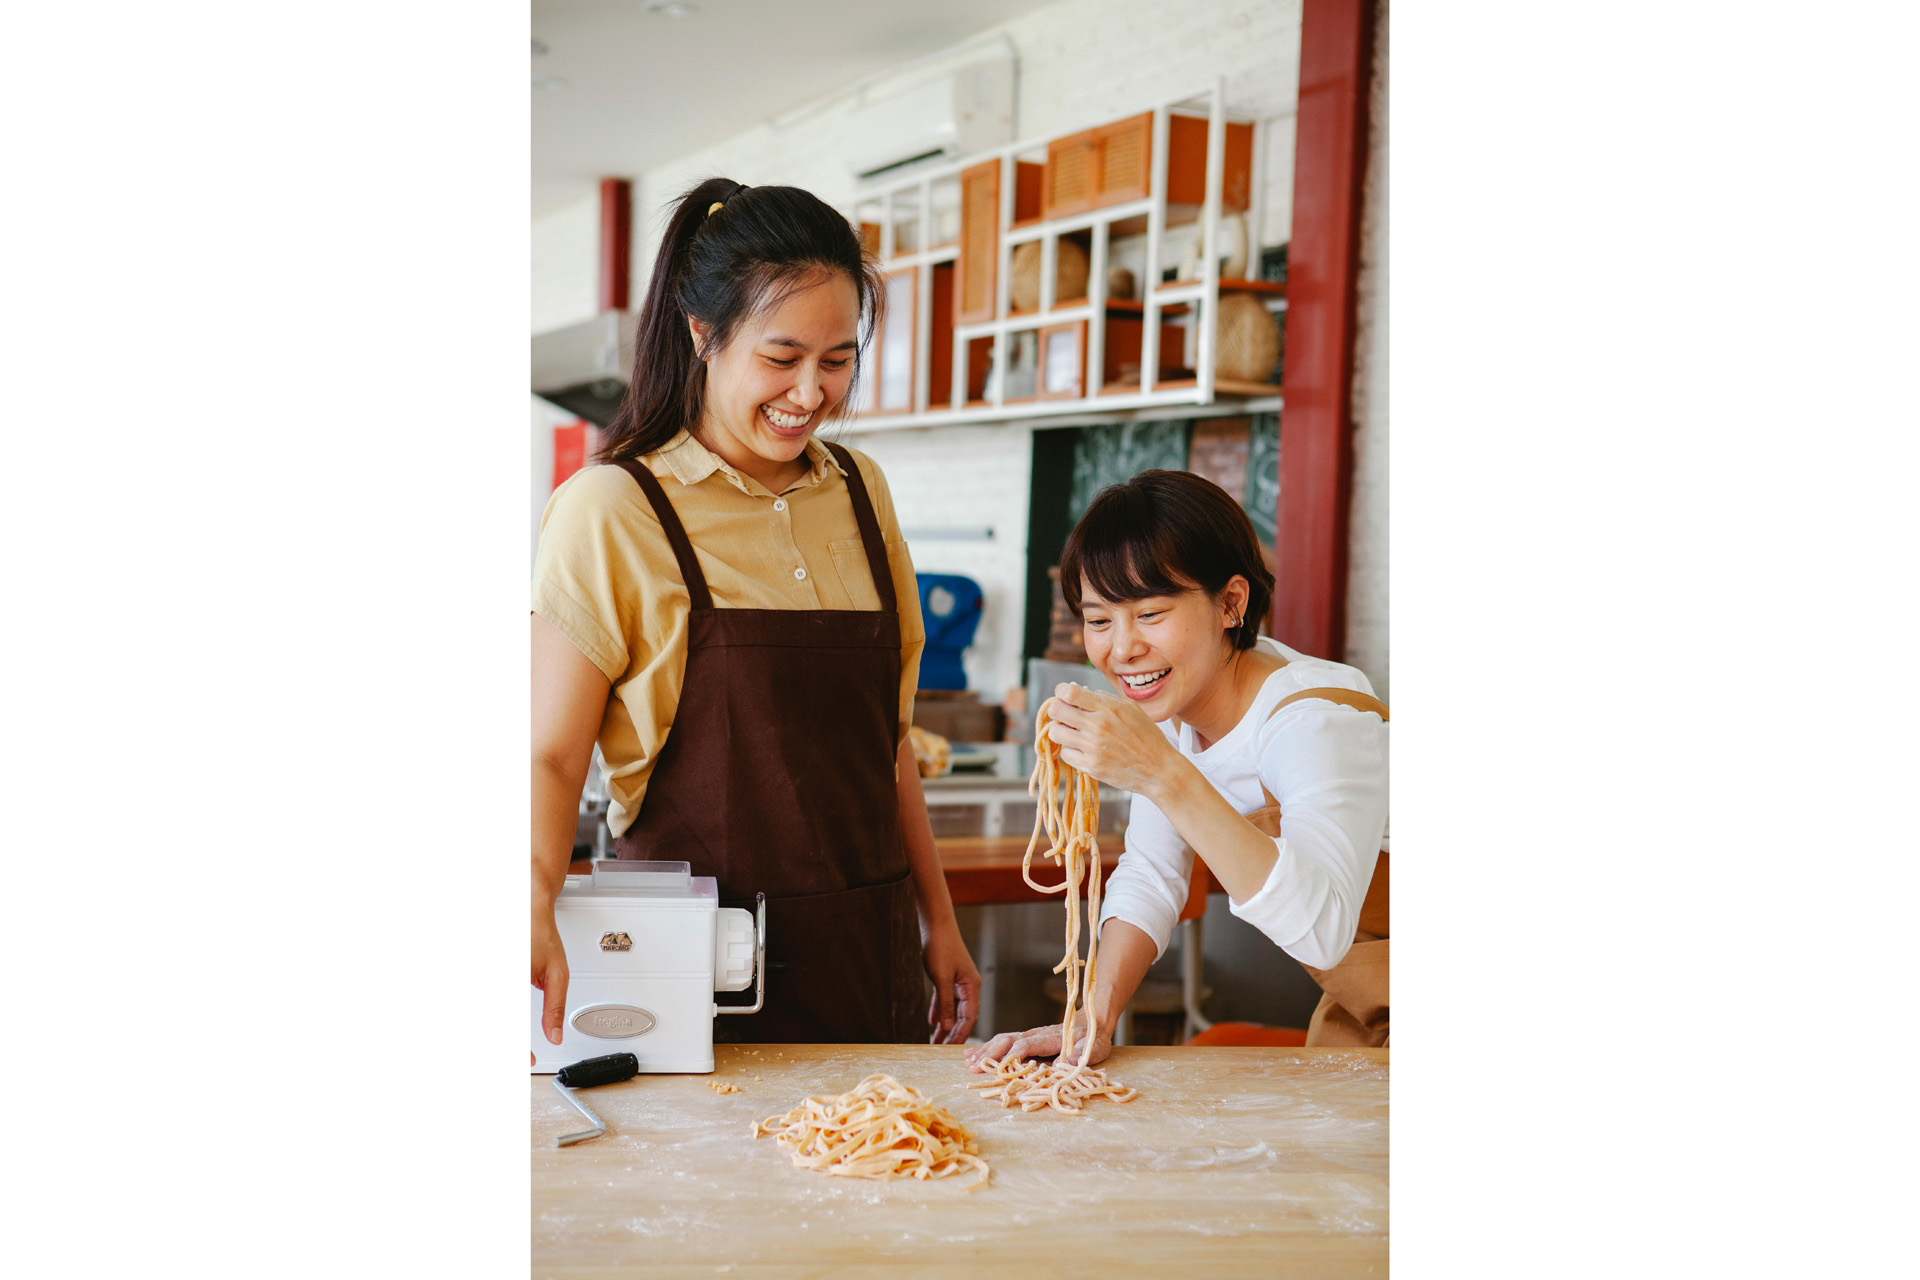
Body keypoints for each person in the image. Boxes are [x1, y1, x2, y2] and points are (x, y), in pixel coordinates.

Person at [532, 178, 979, 1049]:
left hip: (866, 955)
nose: (810, 394)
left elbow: (885, 744)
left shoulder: (858, 490)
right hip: (690, 973)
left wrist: (940, 921)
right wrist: (531, 895)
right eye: (782, 358)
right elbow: (550, 753)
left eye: (838, 359)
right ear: (704, 333)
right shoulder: (613, 508)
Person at [964, 469, 1389, 1071]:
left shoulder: (1313, 722)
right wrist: (1094, 1016)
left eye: (1151, 613)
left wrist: (1161, 772)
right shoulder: (1176, 707)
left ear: (1231, 604)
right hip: (1369, 1006)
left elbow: (1322, 930)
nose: (1122, 649)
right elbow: (1152, 873)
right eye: (1099, 619)